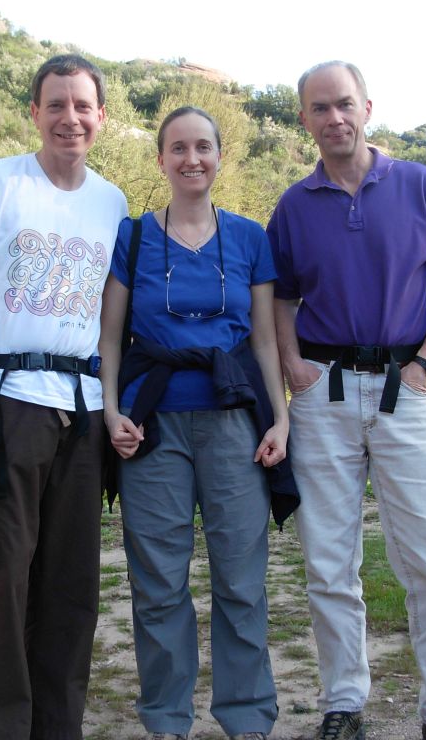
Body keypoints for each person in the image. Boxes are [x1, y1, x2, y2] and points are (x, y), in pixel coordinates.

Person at [267, 61, 426, 740]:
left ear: (368, 107)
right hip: (324, 392)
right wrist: (292, 367)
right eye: (318, 109)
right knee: (329, 561)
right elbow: (279, 297)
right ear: (303, 119)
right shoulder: (294, 205)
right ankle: (343, 705)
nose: (333, 118)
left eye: (343, 104)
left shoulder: (422, 186)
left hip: (406, 389)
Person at [0, 54, 128, 740]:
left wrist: (114, 404)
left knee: (70, 589)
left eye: (83, 106)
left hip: (82, 407)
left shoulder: (112, 202)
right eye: (56, 104)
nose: (70, 117)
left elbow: (108, 320)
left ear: (101, 117)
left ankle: (58, 730)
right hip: (1, 401)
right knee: (1, 581)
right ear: (34, 114)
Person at [98, 106, 296, 740]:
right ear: (161, 159)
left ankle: (247, 719)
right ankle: (166, 721)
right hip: (151, 425)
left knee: (241, 578)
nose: (191, 159)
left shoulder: (249, 238)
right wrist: (110, 412)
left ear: (218, 156)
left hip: (234, 424)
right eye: (178, 148)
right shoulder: (132, 237)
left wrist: (281, 421)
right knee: (158, 584)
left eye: (203, 147)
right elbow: (108, 341)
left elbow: (264, 343)